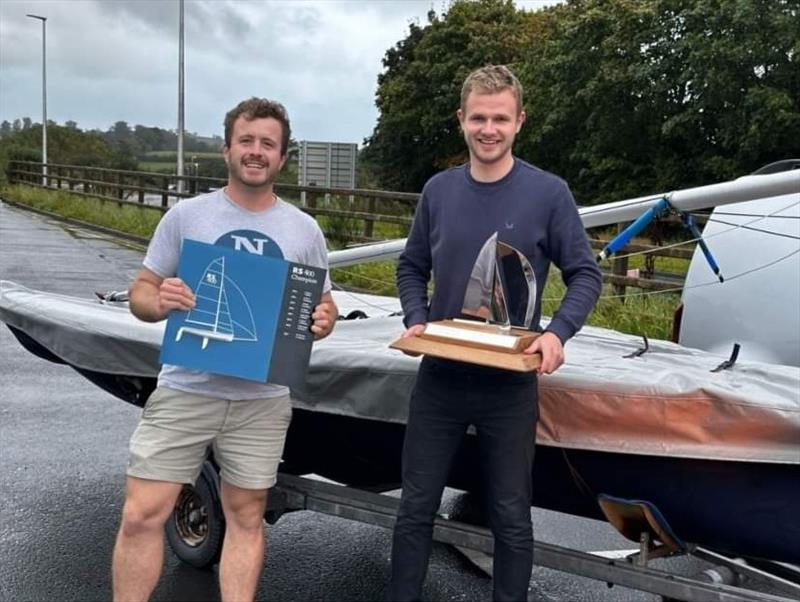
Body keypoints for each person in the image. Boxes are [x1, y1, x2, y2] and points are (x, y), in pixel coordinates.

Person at [387, 65, 602, 601]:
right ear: (461, 120)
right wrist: (416, 317)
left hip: (509, 385)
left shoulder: (549, 193)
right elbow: (411, 266)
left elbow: (585, 274)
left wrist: (557, 333)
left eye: (500, 118)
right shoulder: (438, 191)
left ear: (519, 121)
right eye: (478, 118)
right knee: (415, 508)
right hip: (441, 378)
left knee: (509, 515)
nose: (489, 129)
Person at [111, 97, 338, 602]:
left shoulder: (304, 229)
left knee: (247, 515)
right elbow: (141, 293)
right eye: (247, 141)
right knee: (141, 513)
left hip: (262, 401)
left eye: (268, 144)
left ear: (282, 157)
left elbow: (323, 304)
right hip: (186, 388)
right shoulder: (187, 216)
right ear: (227, 148)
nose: (256, 152)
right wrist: (159, 301)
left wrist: (325, 320)